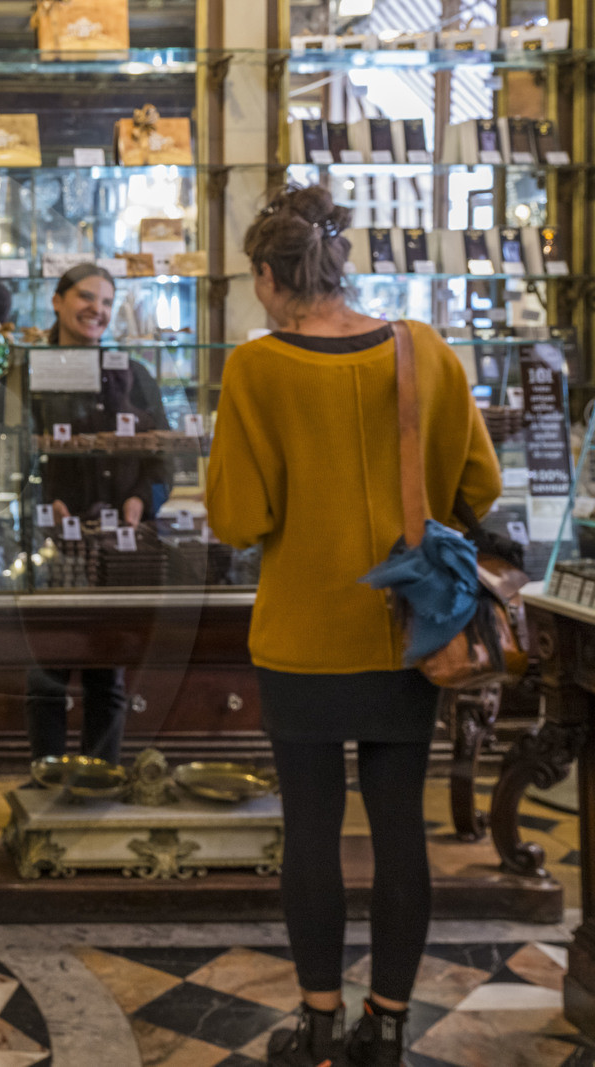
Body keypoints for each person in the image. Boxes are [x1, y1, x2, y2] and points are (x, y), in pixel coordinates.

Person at [207, 185, 501, 1067]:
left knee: (311, 830)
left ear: (269, 275)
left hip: (302, 634)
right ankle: (389, 1025)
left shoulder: (257, 368)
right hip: (410, 634)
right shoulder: (424, 349)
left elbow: (239, 517)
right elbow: (480, 485)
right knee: (400, 829)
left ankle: (320, 1024)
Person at [26, 263, 170, 767]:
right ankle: (45, 785)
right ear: (57, 301)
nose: (98, 310)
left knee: (107, 676)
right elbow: (8, 458)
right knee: (45, 676)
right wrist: (41, 501)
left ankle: (100, 785)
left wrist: (142, 501)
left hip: (117, 550)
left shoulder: (133, 374)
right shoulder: (29, 371)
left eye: (107, 302)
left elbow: (163, 459)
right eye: (86, 297)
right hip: (50, 547)